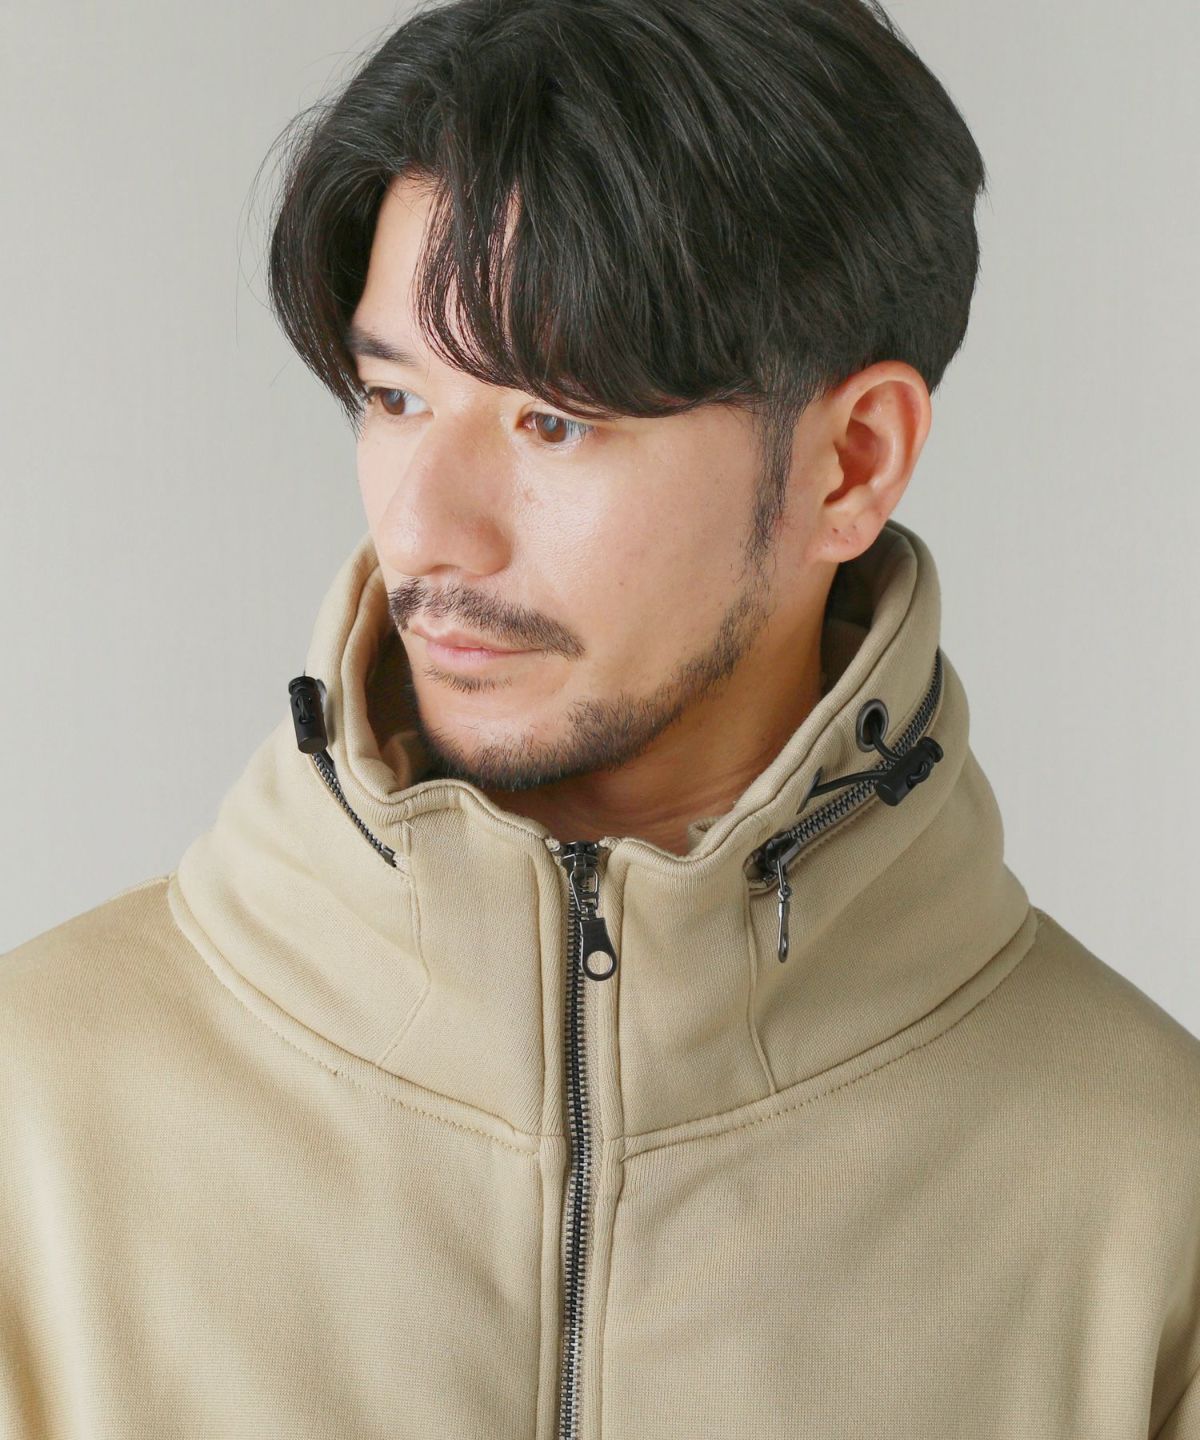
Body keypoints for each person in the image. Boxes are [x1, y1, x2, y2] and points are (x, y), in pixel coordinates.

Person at [3, 0, 1198, 1434]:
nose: (425, 532)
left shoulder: (1152, 1195)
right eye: (394, 396)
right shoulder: (33, 1125)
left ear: (851, 463)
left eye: (551, 420)